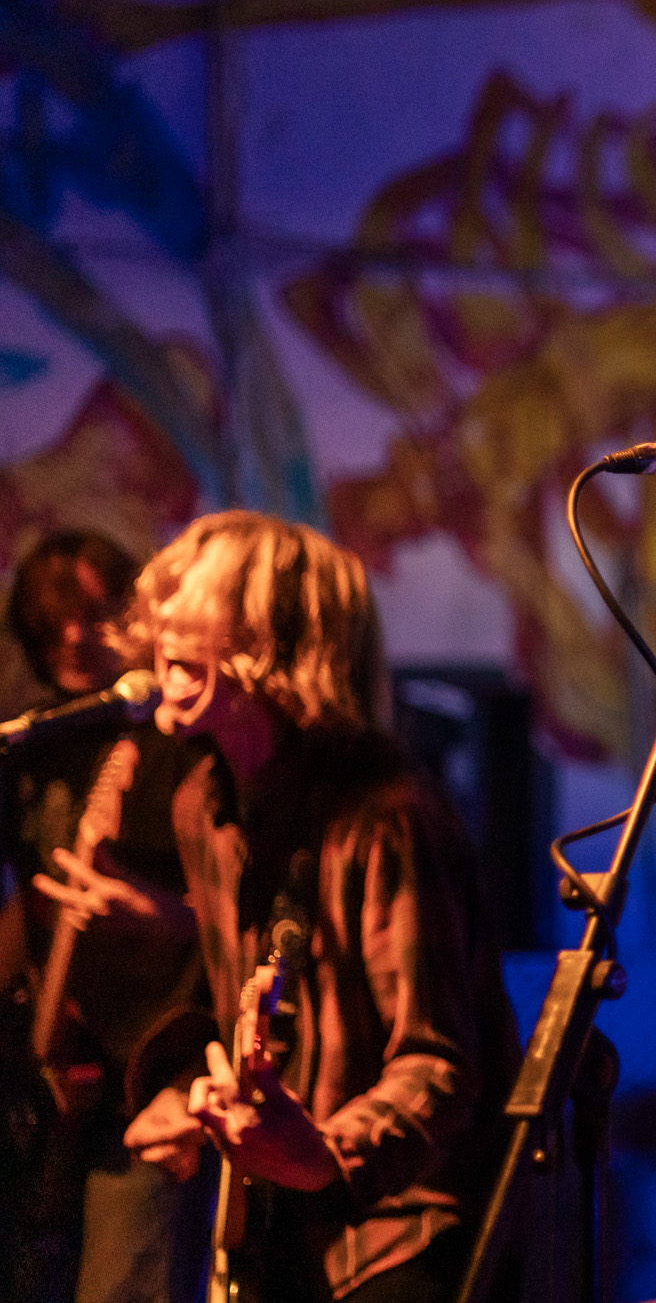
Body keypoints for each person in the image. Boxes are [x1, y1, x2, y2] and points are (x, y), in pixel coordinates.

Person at [109, 511, 520, 1301]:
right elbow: (250, 1014)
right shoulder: (205, 806)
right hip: (281, 1234)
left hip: (400, 1236)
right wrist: (192, 1095)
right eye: (168, 598)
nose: (167, 618)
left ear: (283, 640)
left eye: (199, 598)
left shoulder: (388, 818)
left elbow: (438, 1067)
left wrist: (326, 1157)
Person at [0, 531, 210, 1303]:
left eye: (92, 614)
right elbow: (29, 898)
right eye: (50, 620)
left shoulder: (177, 737)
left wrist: (161, 914)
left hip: (152, 1072)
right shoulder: (34, 745)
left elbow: (246, 915)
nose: (72, 635)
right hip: (55, 1079)